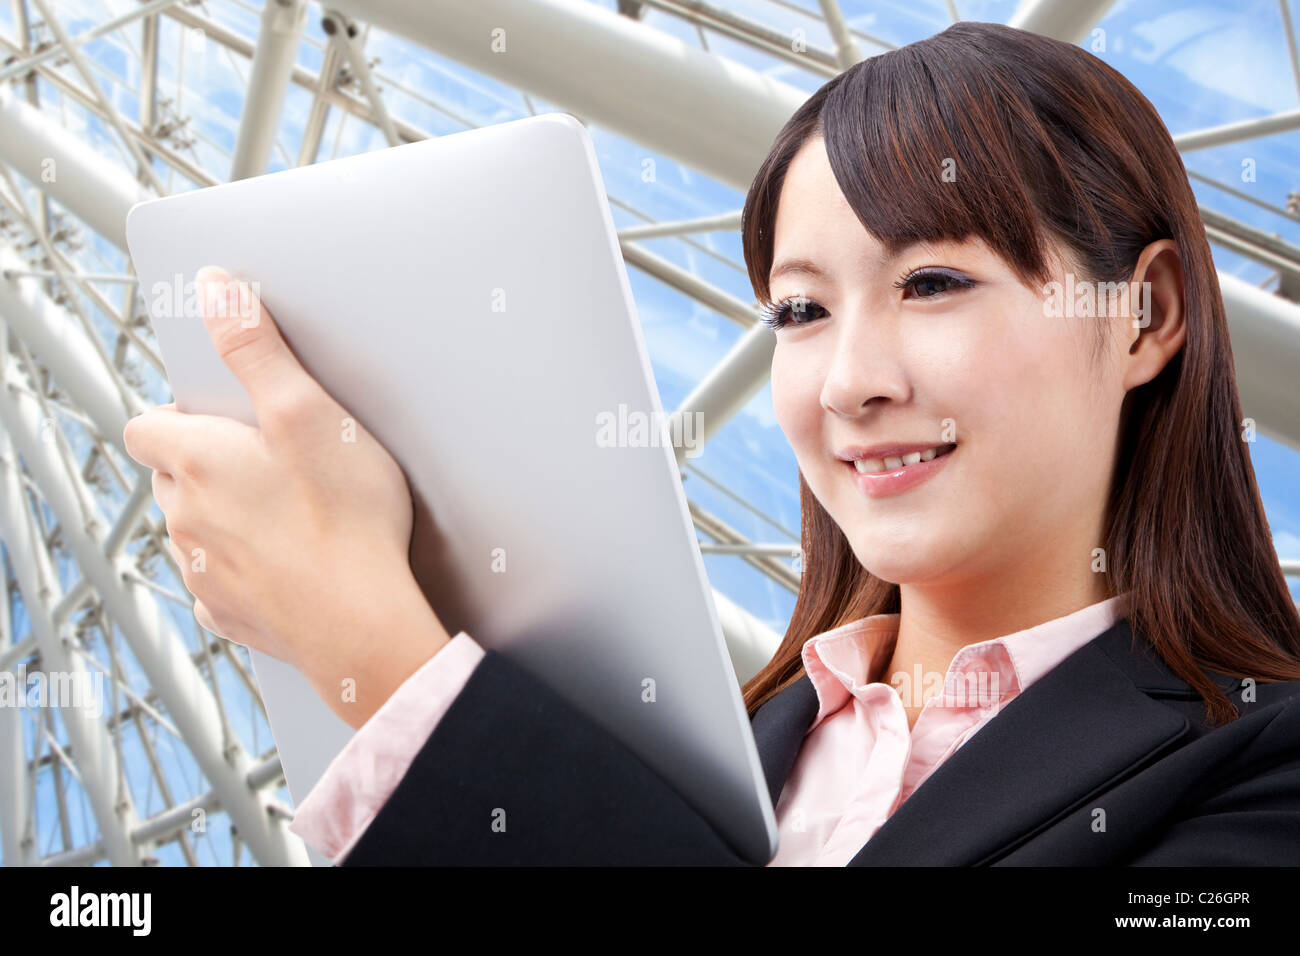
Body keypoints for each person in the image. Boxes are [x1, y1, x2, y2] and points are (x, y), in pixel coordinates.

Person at [121, 21, 1300, 866]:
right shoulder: (720, 746)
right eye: (798, 310)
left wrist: (378, 657)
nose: (850, 381)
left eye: (934, 281)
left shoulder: (1266, 769)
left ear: (1142, 315)